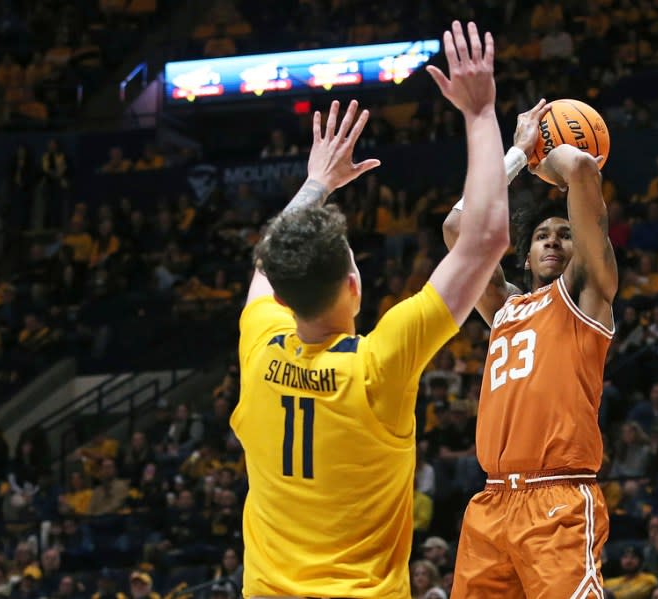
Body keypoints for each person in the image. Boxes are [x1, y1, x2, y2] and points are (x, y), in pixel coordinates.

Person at [233, 21, 511, 598]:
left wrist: (315, 183)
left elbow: (269, 258)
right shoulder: (378, 365)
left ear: (282, 298)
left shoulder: (259, 345)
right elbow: (484, 238)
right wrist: (480, 114)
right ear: (355, 287)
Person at [444, 68, 618, 599]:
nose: (554, 241)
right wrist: (518, 153)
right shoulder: (504, 308)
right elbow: (456, 227)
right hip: (492, 502)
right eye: (542, 235)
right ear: (524, 256)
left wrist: (547, 144)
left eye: (566, 234)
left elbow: (583, 165)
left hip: (558, 500)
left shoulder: (586, 295)